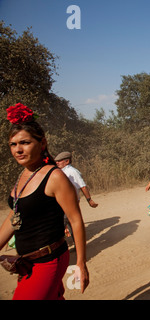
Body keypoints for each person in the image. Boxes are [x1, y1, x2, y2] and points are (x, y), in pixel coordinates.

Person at [0, 103, 89, 299]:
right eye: (13, 145)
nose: (18, 150)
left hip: (48, 260)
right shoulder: (23, 175)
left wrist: (81, 263)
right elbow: (14, 216)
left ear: (42, 144)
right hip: (26, 263)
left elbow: (75, 220)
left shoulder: (54, 177)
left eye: (25, 143)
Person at [55, 151, 98, 239]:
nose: (57, 163)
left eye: (59, 161)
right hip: (63, 202)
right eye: (57, 161)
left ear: (67, 161)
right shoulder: (62, 171)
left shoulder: (72, 171)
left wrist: (89, 200)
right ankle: (76, 243)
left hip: (70, 202)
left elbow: (83, 186)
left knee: (63, 222)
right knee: (69, 222)